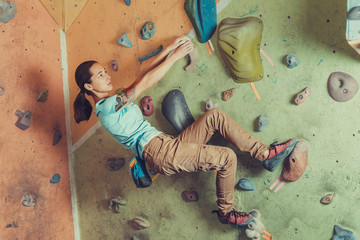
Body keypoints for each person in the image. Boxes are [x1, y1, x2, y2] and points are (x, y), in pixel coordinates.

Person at [73, 36, 297, 227]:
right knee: (226, 157)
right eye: (100, 75)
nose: (107, 75)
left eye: (104, 71)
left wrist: (169, 50)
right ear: (89, 87)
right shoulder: (107, 108)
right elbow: (145, 83)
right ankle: (226, 213)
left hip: (166, 146)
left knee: (214, 116)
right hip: (159, 153)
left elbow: (142, 76)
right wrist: (175, 57)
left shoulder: (113, 100)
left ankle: (265, 155)